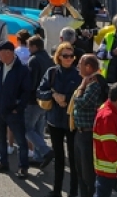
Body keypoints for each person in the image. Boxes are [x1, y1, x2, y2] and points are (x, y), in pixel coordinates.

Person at [37, 42, 82, 197]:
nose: (69, 58)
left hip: (72, 122)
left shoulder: (78, 74)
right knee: (59, 157)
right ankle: (56, 191)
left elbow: (82, 96)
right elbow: (40, 91)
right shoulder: (52, 72)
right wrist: (53, 95)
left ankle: (73, 192)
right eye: (65, 55)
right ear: (59, 57)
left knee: (74, 159)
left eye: (71, 56)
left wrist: (66, 98)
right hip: (54, 121)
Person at [0, 40, 34, 179]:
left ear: (8, 53)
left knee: (20, 140)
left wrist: (18, 108)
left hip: (13, 112)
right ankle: (2, 162)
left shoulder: (22, 70)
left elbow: (27, 92)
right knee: (0, 138)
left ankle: (23, 167)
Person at [71, 54, 108, 197]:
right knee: (80, 171)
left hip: (88, 134)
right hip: (79, 132)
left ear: (88, 67)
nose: (77, 66)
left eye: (80, 64)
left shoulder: (94, 85)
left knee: (88, 175)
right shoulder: (88, 83)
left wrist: (81, 88)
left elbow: (82, 102)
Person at [92, 82, 117, 197]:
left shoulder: (115, 111)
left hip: (115, 168)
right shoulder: (108, 117)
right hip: (109, 170)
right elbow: (109, 148)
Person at [24, 35, 54, 169]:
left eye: (29, 46)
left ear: (34, 46)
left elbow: (30, 82)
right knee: (39, 129)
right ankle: (39, 157)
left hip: (33, 100)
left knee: (27, 128)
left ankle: (45, 151)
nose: (28, 49)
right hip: (45, 99)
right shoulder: (49, 59)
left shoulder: (34, 60)